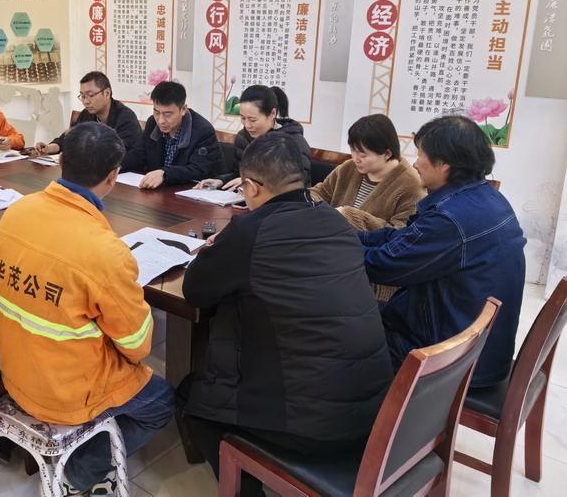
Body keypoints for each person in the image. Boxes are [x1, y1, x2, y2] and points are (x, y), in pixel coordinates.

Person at [181, 135, 393, 497]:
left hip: (312, 427)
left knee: (195, 402)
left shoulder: (250, 231)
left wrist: (215, 252)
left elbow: (196, 291)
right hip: (374, 411)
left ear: (251, 187)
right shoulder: (337, 222)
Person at [0, 122, 175, 496]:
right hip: (68, 393)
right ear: (113, 176)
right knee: (162, 401)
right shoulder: (106, 252)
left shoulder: (16, 211)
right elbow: (138, 346)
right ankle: (79, 474)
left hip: (14, 372)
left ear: (61, 162)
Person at [361, 115, 526, 387]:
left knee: (336, 325)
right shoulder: (487, 198)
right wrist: (352, 236)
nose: (415, 163)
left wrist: (330, 246)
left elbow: (383, 266)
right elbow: (406, 240)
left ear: (445, 164)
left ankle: (358, 411)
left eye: (421, 155)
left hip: (449, 360)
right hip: (480, 351)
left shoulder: (450, 218)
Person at [310, 114, 425, 230]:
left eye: (362, 155)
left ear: (387, 154)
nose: (355, 159)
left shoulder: (412, 185)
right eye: (352, 151)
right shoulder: (348, 168)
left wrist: (348, 215)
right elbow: (318, 193)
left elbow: (400, 232)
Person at [194, 84, 311, 190]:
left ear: (272, 114)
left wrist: (249, 182)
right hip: (247, 198)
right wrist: (221, 181)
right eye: (243, 118)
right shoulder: (243, 137)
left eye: (253, 120)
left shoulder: (294, 141)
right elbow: (239, 175)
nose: (247, 125)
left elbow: (296, 185)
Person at [123, 81, 223, 188]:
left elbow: (197, 170)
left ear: (183, 109)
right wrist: (116, 164)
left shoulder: (203, 131)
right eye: (157, 112)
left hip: (196, 191)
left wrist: (164, 173)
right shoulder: (152, 123)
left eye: (167, 115)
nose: (161, 120)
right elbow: (138, 155)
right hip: (162, 190)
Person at [31, 71, 141, 165]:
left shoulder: (126, 118)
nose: (86, 101)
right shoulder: (86, 114)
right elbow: (68, 138)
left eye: (90, 95)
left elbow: (123, 155)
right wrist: (49, 148)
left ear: (107, 93)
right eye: (83, 96)